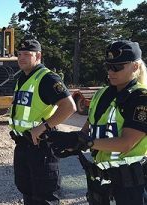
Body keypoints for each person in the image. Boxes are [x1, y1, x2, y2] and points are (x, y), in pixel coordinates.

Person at [46, 40, 147, 205]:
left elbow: (126, 143)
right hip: (100, 183)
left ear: (135, 67)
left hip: (130, 186)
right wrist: (71, 142)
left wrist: (88, 143)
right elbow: (88, 129)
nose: (110, 71)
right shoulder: (101, 94)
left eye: (117, 67)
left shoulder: (141, 99)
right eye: (108, 66)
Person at [9, 39, 76, 204]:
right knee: (28, 191)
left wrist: (44, 127)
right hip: (24, 144)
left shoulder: (47, 78)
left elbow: (69, 106)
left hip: (41, 146)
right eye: (19, 54)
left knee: (45, 195)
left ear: (38, 56)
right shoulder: (23, 78)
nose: (21, 58)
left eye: (27, 54)